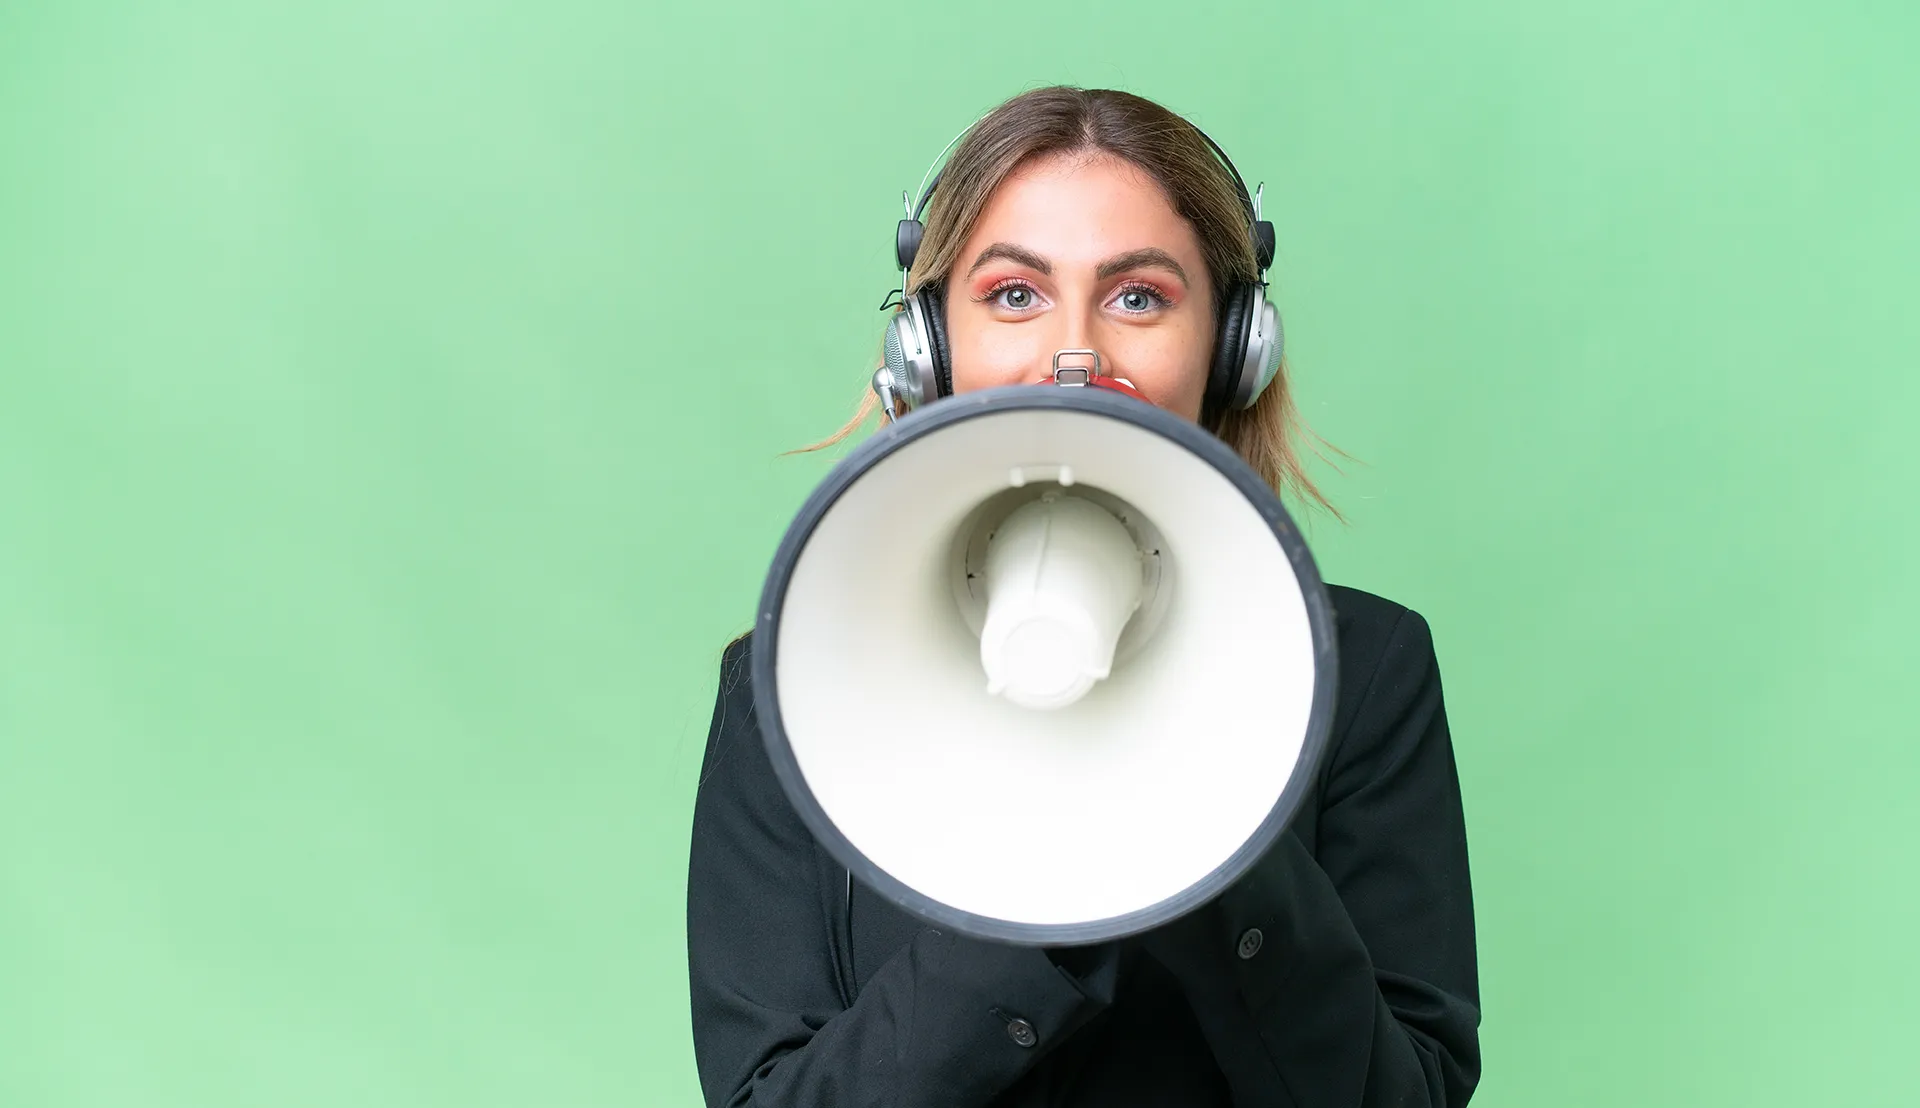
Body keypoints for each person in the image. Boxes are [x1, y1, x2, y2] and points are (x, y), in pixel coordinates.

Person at [685, 86, 1481, 1107]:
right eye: (1014, 293)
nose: (1077, 355)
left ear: (1234, 345)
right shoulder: (790, 684)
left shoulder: (1364, 669)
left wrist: (1213, 829)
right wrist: (1049, 894)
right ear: (926, 346)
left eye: (1138, 296)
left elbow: (1404, 1097)